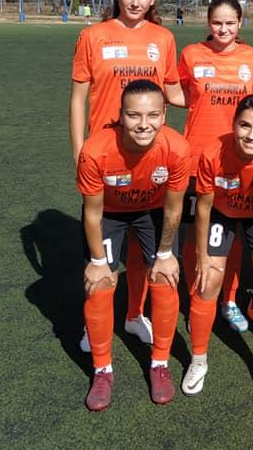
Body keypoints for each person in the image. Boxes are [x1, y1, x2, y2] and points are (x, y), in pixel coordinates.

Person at [70, 0, 183, 353]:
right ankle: (95, 324)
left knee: (141, 248)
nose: (135, 2)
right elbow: (78, 99)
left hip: (148, 158)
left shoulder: (163, 38)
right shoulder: (92, 36)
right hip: (106, 157)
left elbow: (174, 92)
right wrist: (78, 150)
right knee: (101, 253)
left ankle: (134, 316)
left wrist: (223, 90)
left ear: (153, 0)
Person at [78, 80, 189, 411]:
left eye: (153, 115)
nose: (144, 124)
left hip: (152, 211)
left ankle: (159, 364)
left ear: (165, 113)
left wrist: (167, 254)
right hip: (109, 214)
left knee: (165, 279)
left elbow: (173, 208)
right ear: (120, 116)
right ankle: (102, 370)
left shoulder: (177, 148)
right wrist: (98, 260)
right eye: (134, 115)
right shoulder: (95, 150)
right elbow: (92, 212)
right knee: (98, 285)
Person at [181, 95, 253, 394]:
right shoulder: (212, 154)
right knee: (207, 281)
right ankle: (198, 359)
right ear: (233, 124)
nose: (251, 135)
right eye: (244, 125)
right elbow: (204, 207)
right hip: (222, 212)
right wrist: (202, 255)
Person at [176, 0, 253, 333]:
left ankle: (229, 299)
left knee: (233, 235)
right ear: (208, 23)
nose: (223, 29)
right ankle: (197, 295)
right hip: (197, 159)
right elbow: (176, 92)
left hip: (237, 160)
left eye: (230, 23)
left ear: (240, 24)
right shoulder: (192, 55)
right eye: (217, 23)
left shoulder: (251, 57)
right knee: (194, 232)